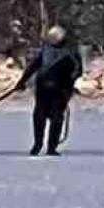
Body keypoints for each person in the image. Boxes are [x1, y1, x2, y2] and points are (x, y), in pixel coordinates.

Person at [14, 25, 82, 156]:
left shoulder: (71, 52)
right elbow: (33, 66)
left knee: (56, 119)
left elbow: (78, 71)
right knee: (39, 117)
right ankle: (38, 144)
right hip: (43, 89)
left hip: (60, 90)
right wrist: (22, 81)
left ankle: (51, 147)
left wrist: (68, 83)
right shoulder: (46, 50)